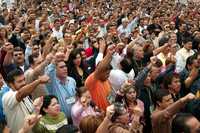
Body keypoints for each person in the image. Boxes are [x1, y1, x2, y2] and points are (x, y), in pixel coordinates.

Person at [2, 68, 49, 133]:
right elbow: (20, 94)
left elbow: (31, 117)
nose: (24, 83)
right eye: (20, 81)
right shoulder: (7, 96)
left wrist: (36, 109)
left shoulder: (26, 96)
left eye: (24, 80)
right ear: (11, 84)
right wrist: (38, 81)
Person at [45, 53, 76, 123]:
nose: (65, 68)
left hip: (75, 117)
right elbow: (49, 73)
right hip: (61, 120)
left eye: (65, 66)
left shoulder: (72, 80)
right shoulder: (52, 83)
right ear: (55, 70)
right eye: (61, 67)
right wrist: (53, 62)